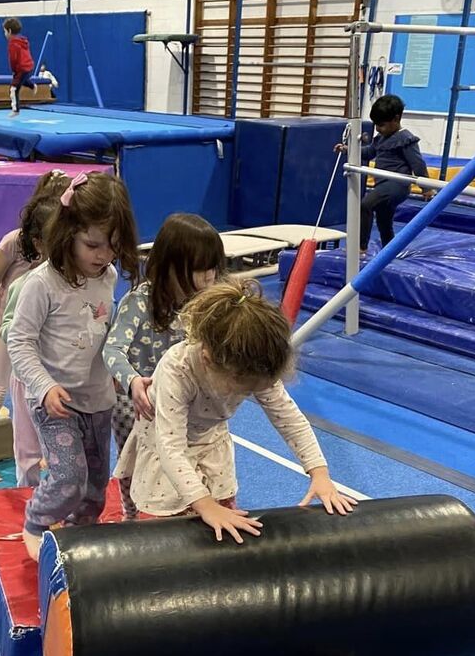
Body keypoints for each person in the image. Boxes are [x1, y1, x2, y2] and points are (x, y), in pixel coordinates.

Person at [114, 280, 356, 542]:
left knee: (223, 521)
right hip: (164, 443)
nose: (248, 393)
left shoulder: (256, 362)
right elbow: (170, 447)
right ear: (209, 360)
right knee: (170, 525)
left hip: (210, 440)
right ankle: (132, 519)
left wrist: (319, 473)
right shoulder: (178, 370)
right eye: (245, 389)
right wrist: (206, 505)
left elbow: (289, 418)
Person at [7, 172, 140, 560]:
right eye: (92, 244)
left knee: (95, 488)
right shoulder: (42, 284)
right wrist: (44, 386)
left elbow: (102, 330)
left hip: (98, 400)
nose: (103, 255)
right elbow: (19, 340)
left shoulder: (107, 276)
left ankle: (78, 535)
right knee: (68, 478)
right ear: (68, 233)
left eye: (112, 246)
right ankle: (36, 522)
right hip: (55, 402)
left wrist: (118, 370)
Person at [104, 212, 225, 518]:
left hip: (182, 401)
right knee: (136, 463)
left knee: (183, 458)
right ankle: (131, 513)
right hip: (139, 402)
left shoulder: (204, 305)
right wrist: (133, 382)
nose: (210, 278)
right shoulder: (139, 301)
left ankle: (188, 509)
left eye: (213, 268)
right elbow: (113, 349)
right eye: (201, 269)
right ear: (170, 266)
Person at [0, 172, 72, 484]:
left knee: (36, 390)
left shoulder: (64, 248)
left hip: (38, 329)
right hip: (2, 323)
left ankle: (39, 448)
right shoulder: (13, 243)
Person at [337, 94, 431, 255]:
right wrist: (348, 150)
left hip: (397, 185)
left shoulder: (405, 138)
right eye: (376, 125)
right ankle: (390, 251)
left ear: (396, 119)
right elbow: (368, 153)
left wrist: (426, 188)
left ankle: (360, 246)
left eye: (381, 125)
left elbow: (418, 164)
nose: (378, 129)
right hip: (382, 185)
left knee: (365, 205)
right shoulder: (380, 138)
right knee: (384, 221)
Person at [2, 17, 35, 118]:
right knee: (21, 80)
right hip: (29, 66)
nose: (4, 34)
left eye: (5, 31)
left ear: (9, 31)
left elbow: (13, 59)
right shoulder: (23, 41)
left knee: (13, 89)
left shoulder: (13, 43)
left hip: (22, 68)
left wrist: (14, 70)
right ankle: (32, 85)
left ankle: (15, 110)